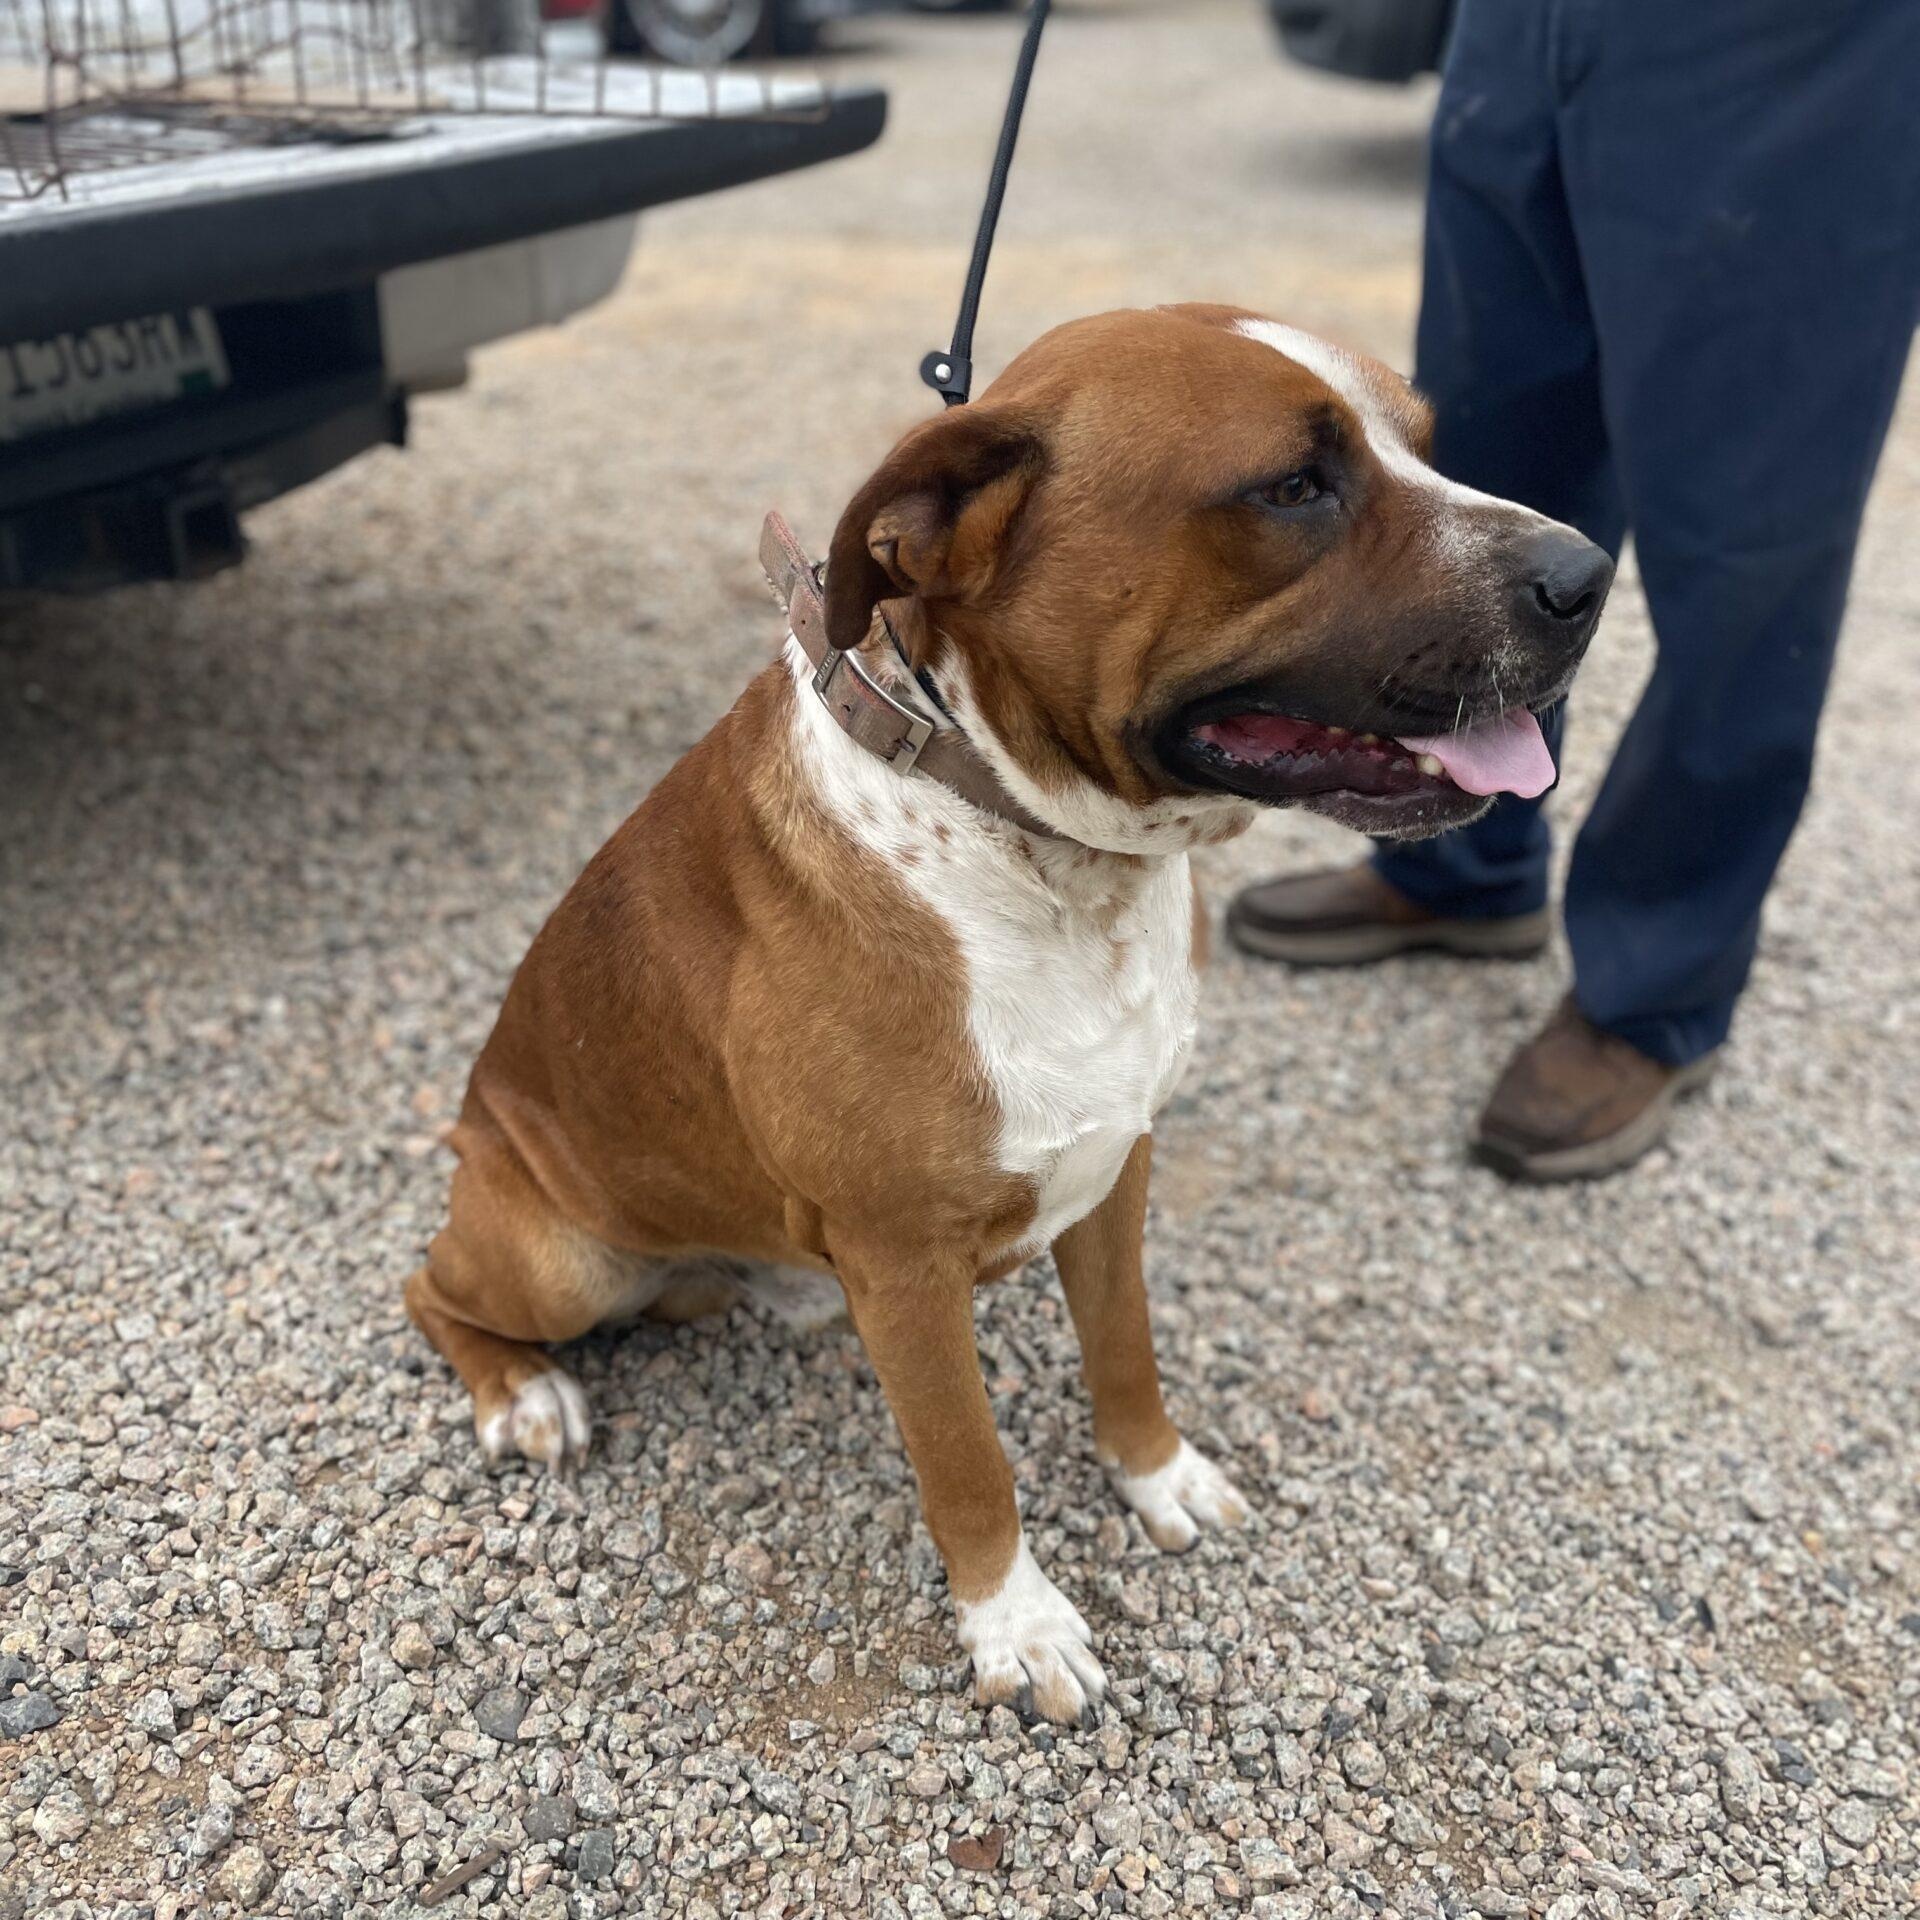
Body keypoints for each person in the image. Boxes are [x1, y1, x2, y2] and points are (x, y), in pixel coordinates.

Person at [1230, 0, 1920, 1181]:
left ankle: (1657, 982)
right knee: (1483, 467)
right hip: (1518, 29)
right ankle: (1463, 864)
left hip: (1792, 44)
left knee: (1745, 545)